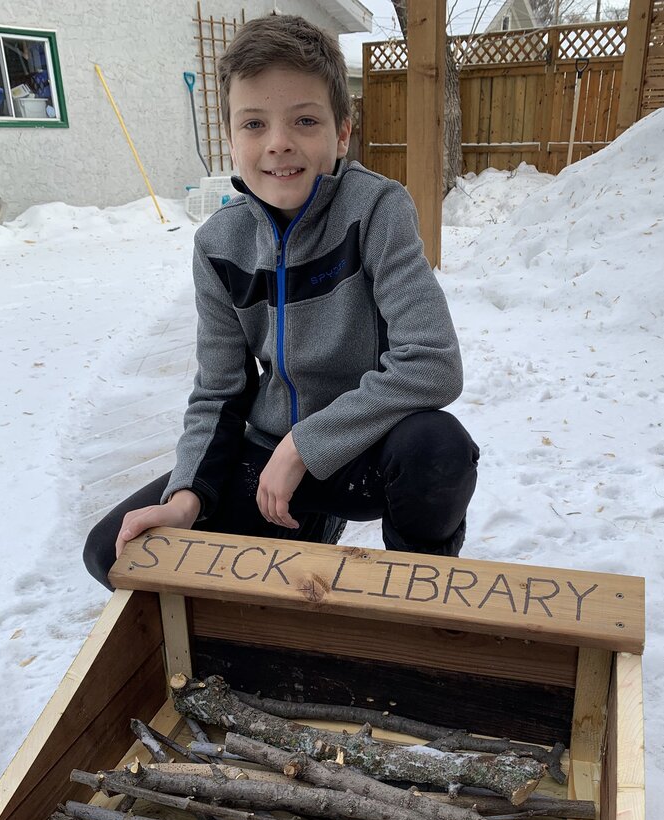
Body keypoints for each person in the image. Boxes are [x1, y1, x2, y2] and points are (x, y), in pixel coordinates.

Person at [84, 14, 479, 590]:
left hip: (364, 453)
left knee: (437, 448)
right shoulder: (218, 245)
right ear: (230, 135)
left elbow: (433, 363)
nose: (278, 143)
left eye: (305, 120)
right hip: (265, 457)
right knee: (116, 552)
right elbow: (219, 390)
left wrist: (307, 443)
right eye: (254, 123)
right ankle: (277, 575)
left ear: (342, 131)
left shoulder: (376, 211)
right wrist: (188, 494)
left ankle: (420, 603)